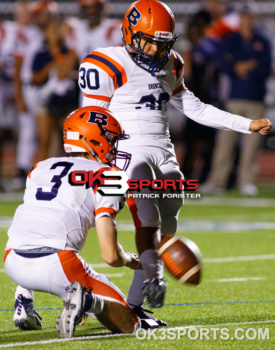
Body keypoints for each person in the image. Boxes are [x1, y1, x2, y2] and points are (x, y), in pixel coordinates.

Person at [77, 0, 272, 327]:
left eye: (162, 43)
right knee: (142, 218)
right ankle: (76, 285)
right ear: (130, 32)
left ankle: (135, 304)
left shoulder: (172, 62)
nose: (155, 49)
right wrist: (93, 163)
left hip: (164, 150)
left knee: (168, 222)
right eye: (149, 41)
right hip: (127, 148)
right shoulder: (105, 62)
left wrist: (245, 124)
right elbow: (91, 119)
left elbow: (194, 107)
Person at [4, 106, 140, 337]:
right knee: (130, 324)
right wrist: (130, 260)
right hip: (57, 264)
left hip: (11, 259)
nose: (115, 147)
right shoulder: (109, 175)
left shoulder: (39, 168)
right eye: (110, 139)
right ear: (94, 139)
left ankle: (23, 298)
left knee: (38, 230)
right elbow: (110, 256)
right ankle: (87, 300)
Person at [201, 3, 272, 195]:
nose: (246, 21)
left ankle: (246, 181)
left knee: (251, 145)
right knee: (225, 142)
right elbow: (224, 63)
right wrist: (243, 67)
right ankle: (217, 181)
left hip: (255, 98)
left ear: (254, 19)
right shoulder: (232, 40)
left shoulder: (262, 41)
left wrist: (242, 67)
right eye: (243, 17)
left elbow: (265, 67)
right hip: (234, 98)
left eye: (249, 17)